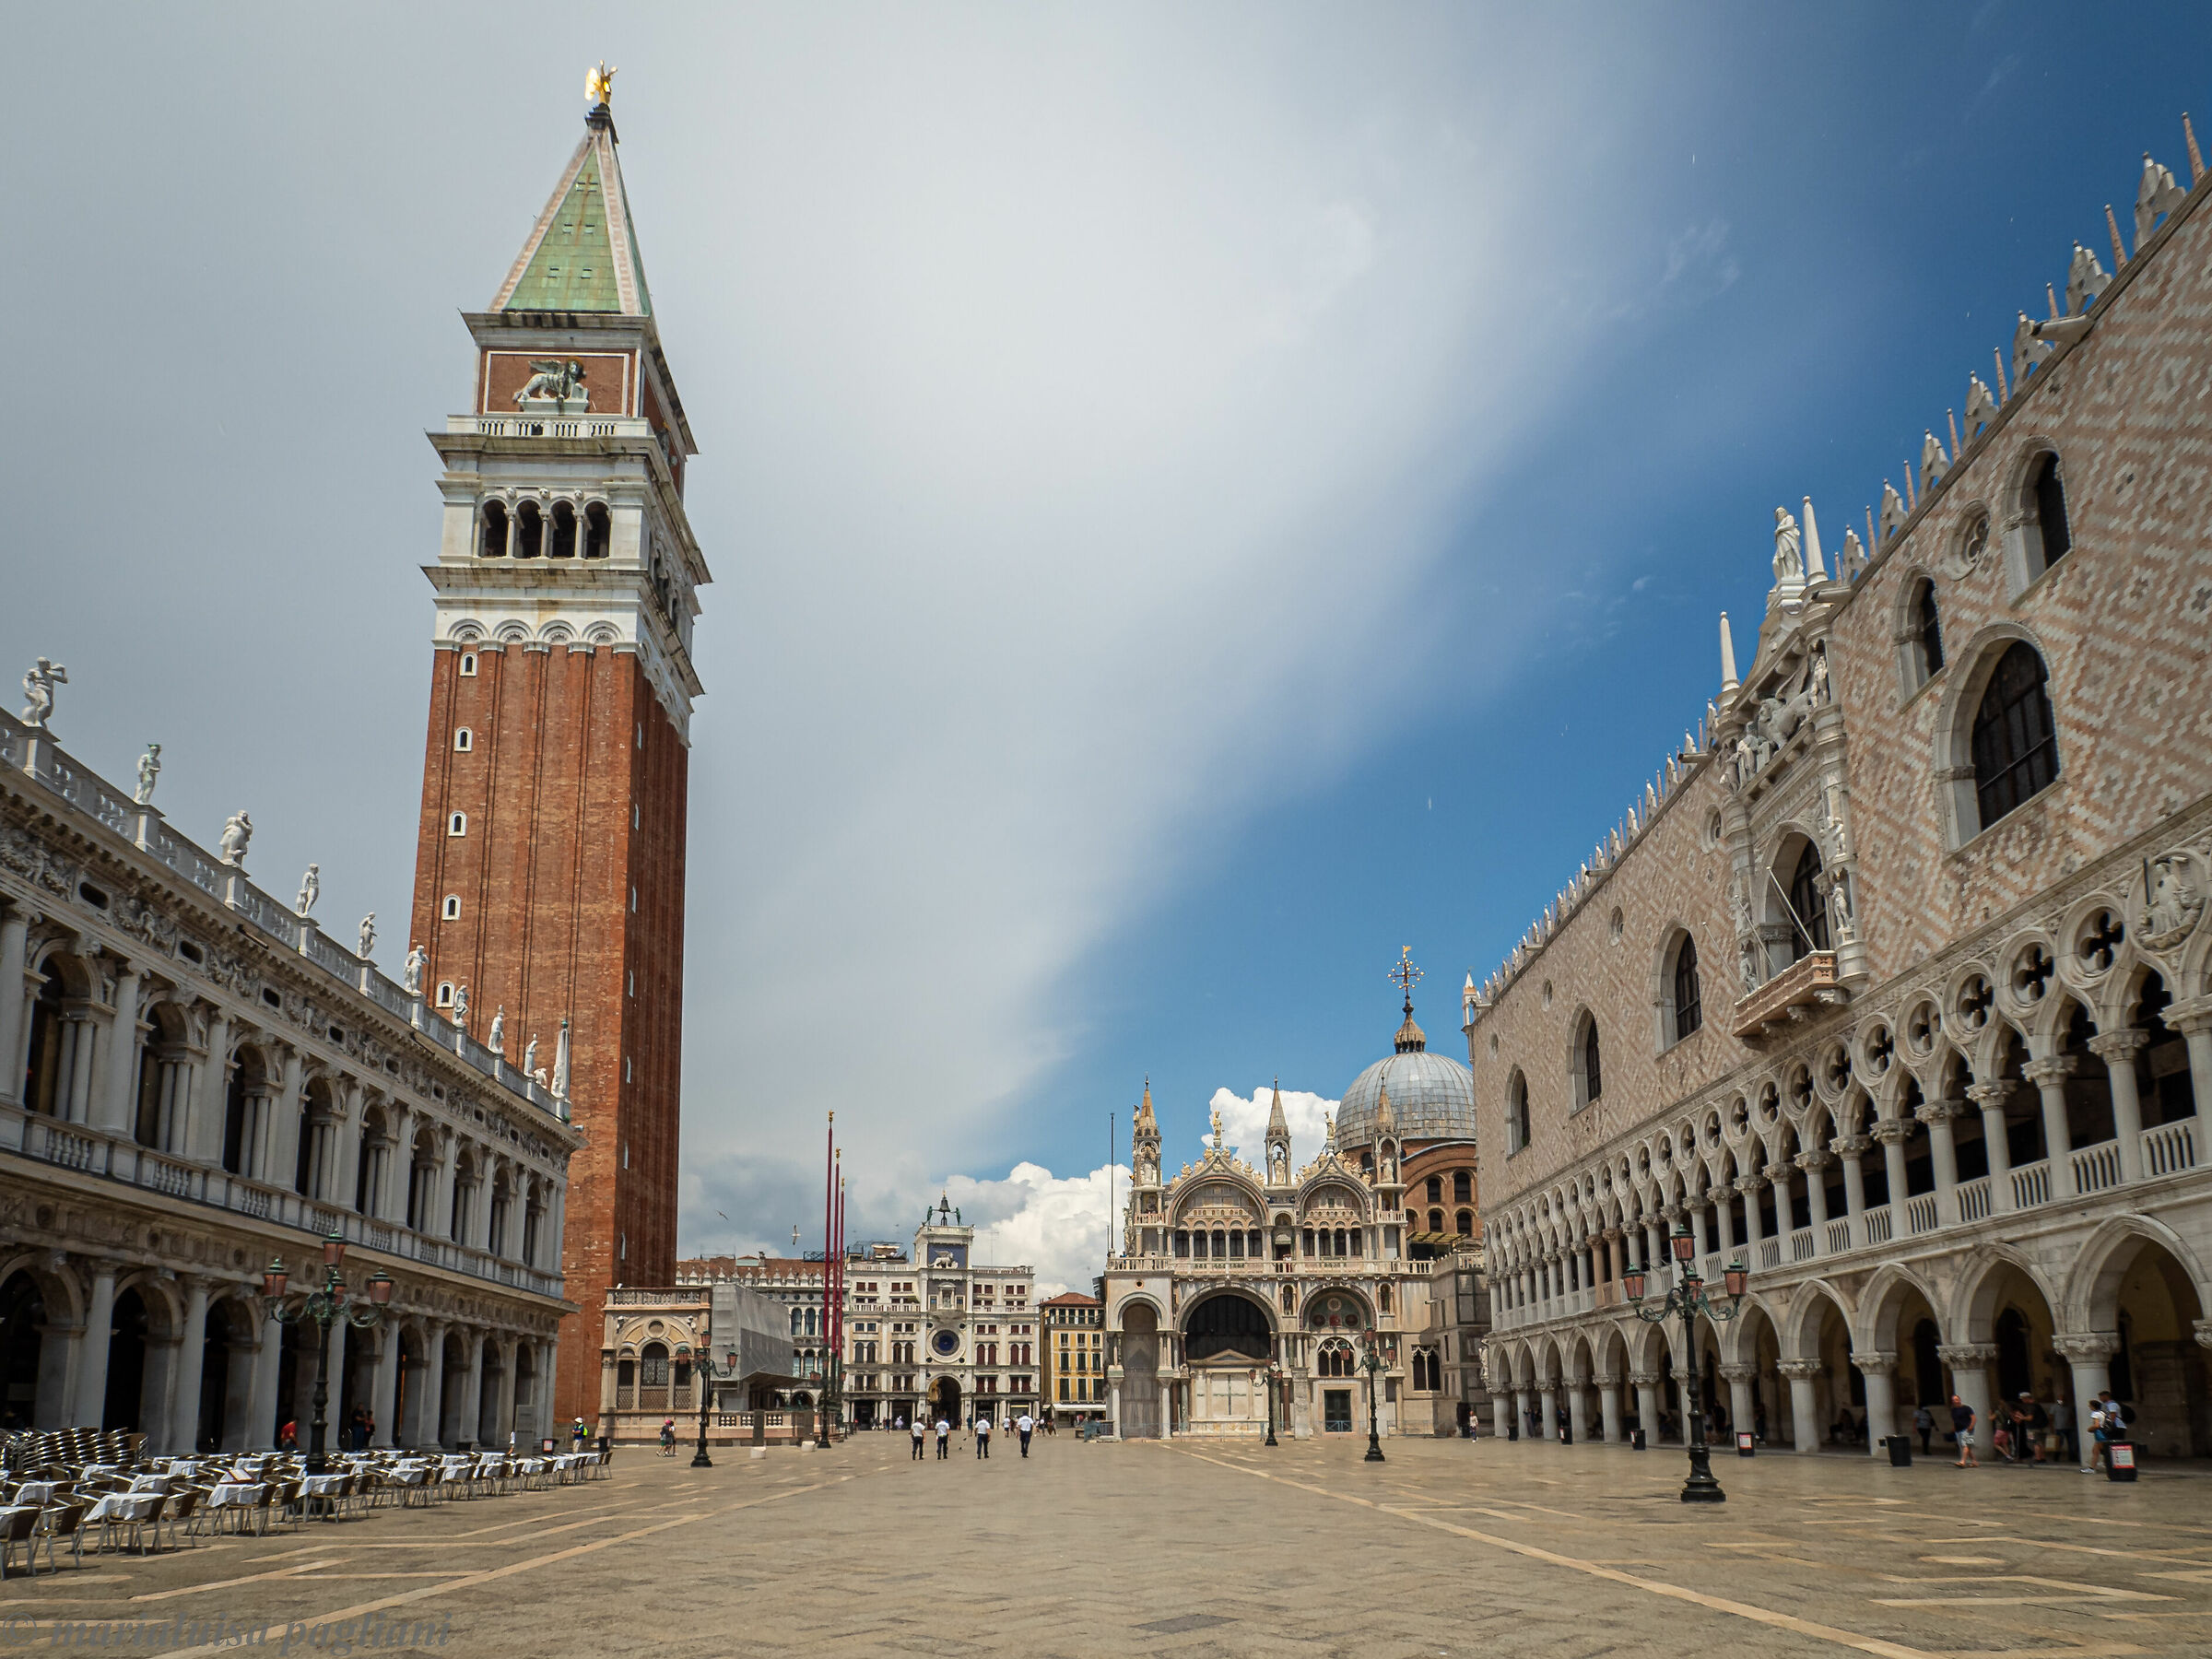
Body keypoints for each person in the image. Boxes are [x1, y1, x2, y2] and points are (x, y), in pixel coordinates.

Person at [1949, 1394, 1977, 1467]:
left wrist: (1971, 1426)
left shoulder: (1966, 1408)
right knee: (1964, 1446)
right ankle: (1974, 1461)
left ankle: (1962, 1462)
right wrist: (1953, 1428)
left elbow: (1973, 1418)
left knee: (1965, 1445)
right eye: (1954, 1400)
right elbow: (1954, 1420)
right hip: (1958, 1430)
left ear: (1959, 1400)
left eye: (1956, 1399)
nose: (1955, 1401)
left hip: (1967, 1429)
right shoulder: (1953, 1410)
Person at [2050, 1392, 2076, 1465]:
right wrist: (2052, 1427)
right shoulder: (2054, 1407)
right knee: (2058, 1443)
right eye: (2060, 1398)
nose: (2062, 1400)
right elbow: (2051, 1417)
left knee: (2071, 1443)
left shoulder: (2069, 1406)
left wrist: (2072, 1423)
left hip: (2069, 1428)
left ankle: (2072, 1457)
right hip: (2059, 1427)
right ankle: (2056, 1457)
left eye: (2063, 1398)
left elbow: (2072, 1416)